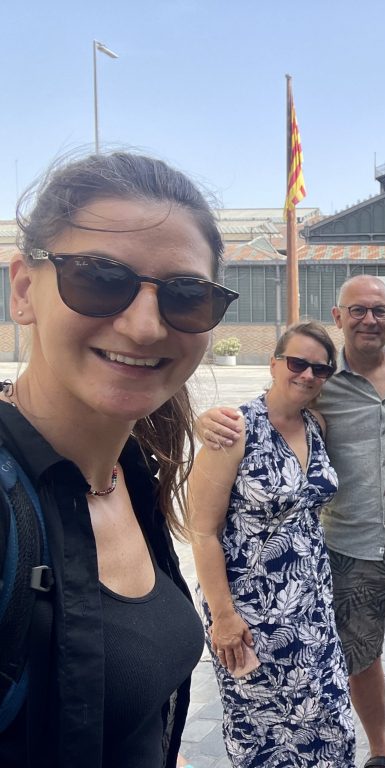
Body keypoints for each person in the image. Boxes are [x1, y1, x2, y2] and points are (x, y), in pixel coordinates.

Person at [0, 152, 237, 767]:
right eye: (101, 279)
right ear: (24, 289)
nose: (143, 326)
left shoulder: (132, 473)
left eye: (186, 296)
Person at [197, 274, 385, 768]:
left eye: (380, 310)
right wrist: (207, 420)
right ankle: (380, 751)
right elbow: (265, 414)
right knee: (359, 660)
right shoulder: (321, 388)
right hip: (345, 550)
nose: (369, 318)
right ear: (338, 317)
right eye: (357, 309)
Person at [188, 321, 356, 767]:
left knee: (329, 719)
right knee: (265, 733)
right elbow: (202, 530)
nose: (307, 375)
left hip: (312, 610)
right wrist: (223, 616)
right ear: (273, 363)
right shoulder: (234, 431)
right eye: (297, 363)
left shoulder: (314, 423)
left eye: (320, 370)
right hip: (252, 616)